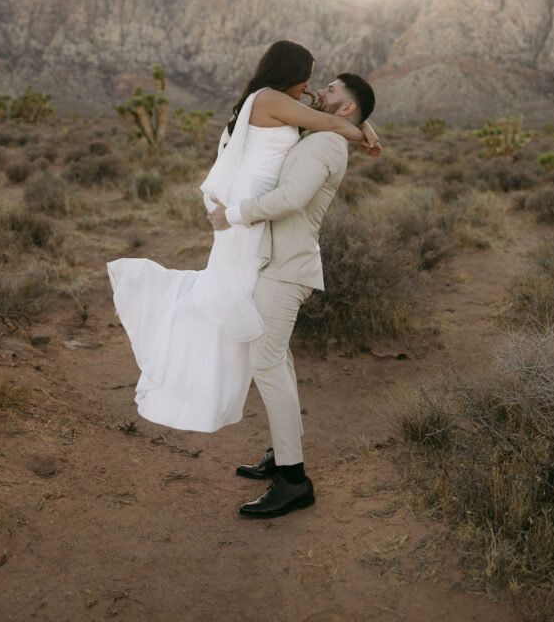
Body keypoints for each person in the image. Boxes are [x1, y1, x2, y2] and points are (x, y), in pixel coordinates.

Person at [107, 42, 379, 433]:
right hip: (250, 216)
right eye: (311, 73)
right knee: (234, 307)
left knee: (240, 310)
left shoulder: (279, 105)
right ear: (293, 71)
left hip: (256, 216)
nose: (314, 85)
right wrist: (365, 130)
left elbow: (336, 120)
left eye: (328, 86)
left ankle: (283, 450)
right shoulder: (269, 99)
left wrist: (364, 125)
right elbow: (337, 123)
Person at [208, 73, 376, 518]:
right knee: (276, 360)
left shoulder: (325, 144)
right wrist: (363, 130)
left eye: (334, 91)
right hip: (278, 263)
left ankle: (294, 481)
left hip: (287, 269)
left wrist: (235, 215)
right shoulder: (323, 132)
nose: (322, 90)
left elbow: (293, 197)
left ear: (345, 108)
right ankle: (283, 454)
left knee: (266, 363)